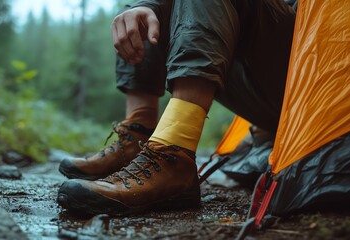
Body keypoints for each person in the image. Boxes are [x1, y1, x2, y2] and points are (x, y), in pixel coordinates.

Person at [57, 0, 296, 215]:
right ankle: (138, 137)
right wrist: (148, 5)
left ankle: (173, 156)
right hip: (269, 81)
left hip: (311, 81)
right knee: (141, 14)